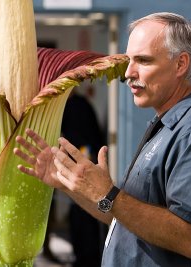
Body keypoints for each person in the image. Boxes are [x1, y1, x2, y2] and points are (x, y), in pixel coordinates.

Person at [14, 12, 191, 266]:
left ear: (181, 64)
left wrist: (108, 194)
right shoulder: (168, 125)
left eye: (143, 61)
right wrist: (70, 184)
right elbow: (122, 217)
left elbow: (190, 238)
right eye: (129, 60)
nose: (128, 73)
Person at [62, 90, 106, 267]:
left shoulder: (80, 105)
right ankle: (82, 256)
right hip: (74, 164)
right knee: (78, 210)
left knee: (86, 213)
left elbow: (90, 138)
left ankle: (88, 257)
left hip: (84, 164)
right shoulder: (72, 105)